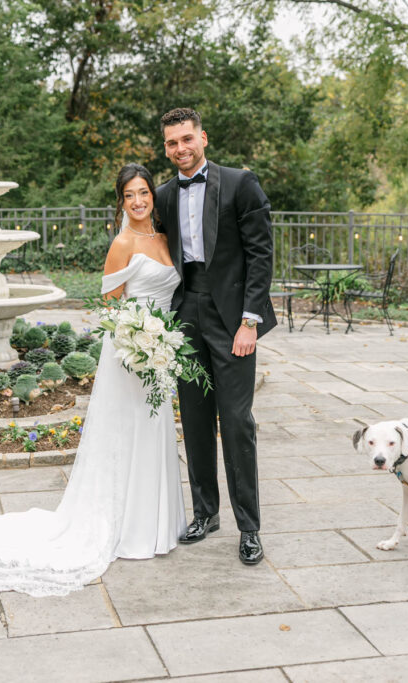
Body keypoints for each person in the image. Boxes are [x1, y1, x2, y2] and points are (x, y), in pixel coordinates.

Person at [0, 164, 186, 597]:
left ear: (152, 196)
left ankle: (157, 523)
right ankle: (130, 528)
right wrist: (136, 342)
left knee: (154, 431)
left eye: (143, 193)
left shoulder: (163, 240)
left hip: (157, 356)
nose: (138, 202)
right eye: (129, 196)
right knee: (127, 435)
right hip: (128, 355)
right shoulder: (122, 244)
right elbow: (110, 305)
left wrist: (159, 346)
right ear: (120, 202)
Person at [155, 107, 276, 565]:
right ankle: (206, 513)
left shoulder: (240, 183)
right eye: (172, 143)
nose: (181, 149)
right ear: (165, 148)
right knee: (195, 417)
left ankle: (249, 527)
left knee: (237, 421)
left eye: (187, 139)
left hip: (232, 318)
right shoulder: (165, 194)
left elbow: (261, 254)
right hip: (186, 312)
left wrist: (250, 321)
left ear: (202, 137)